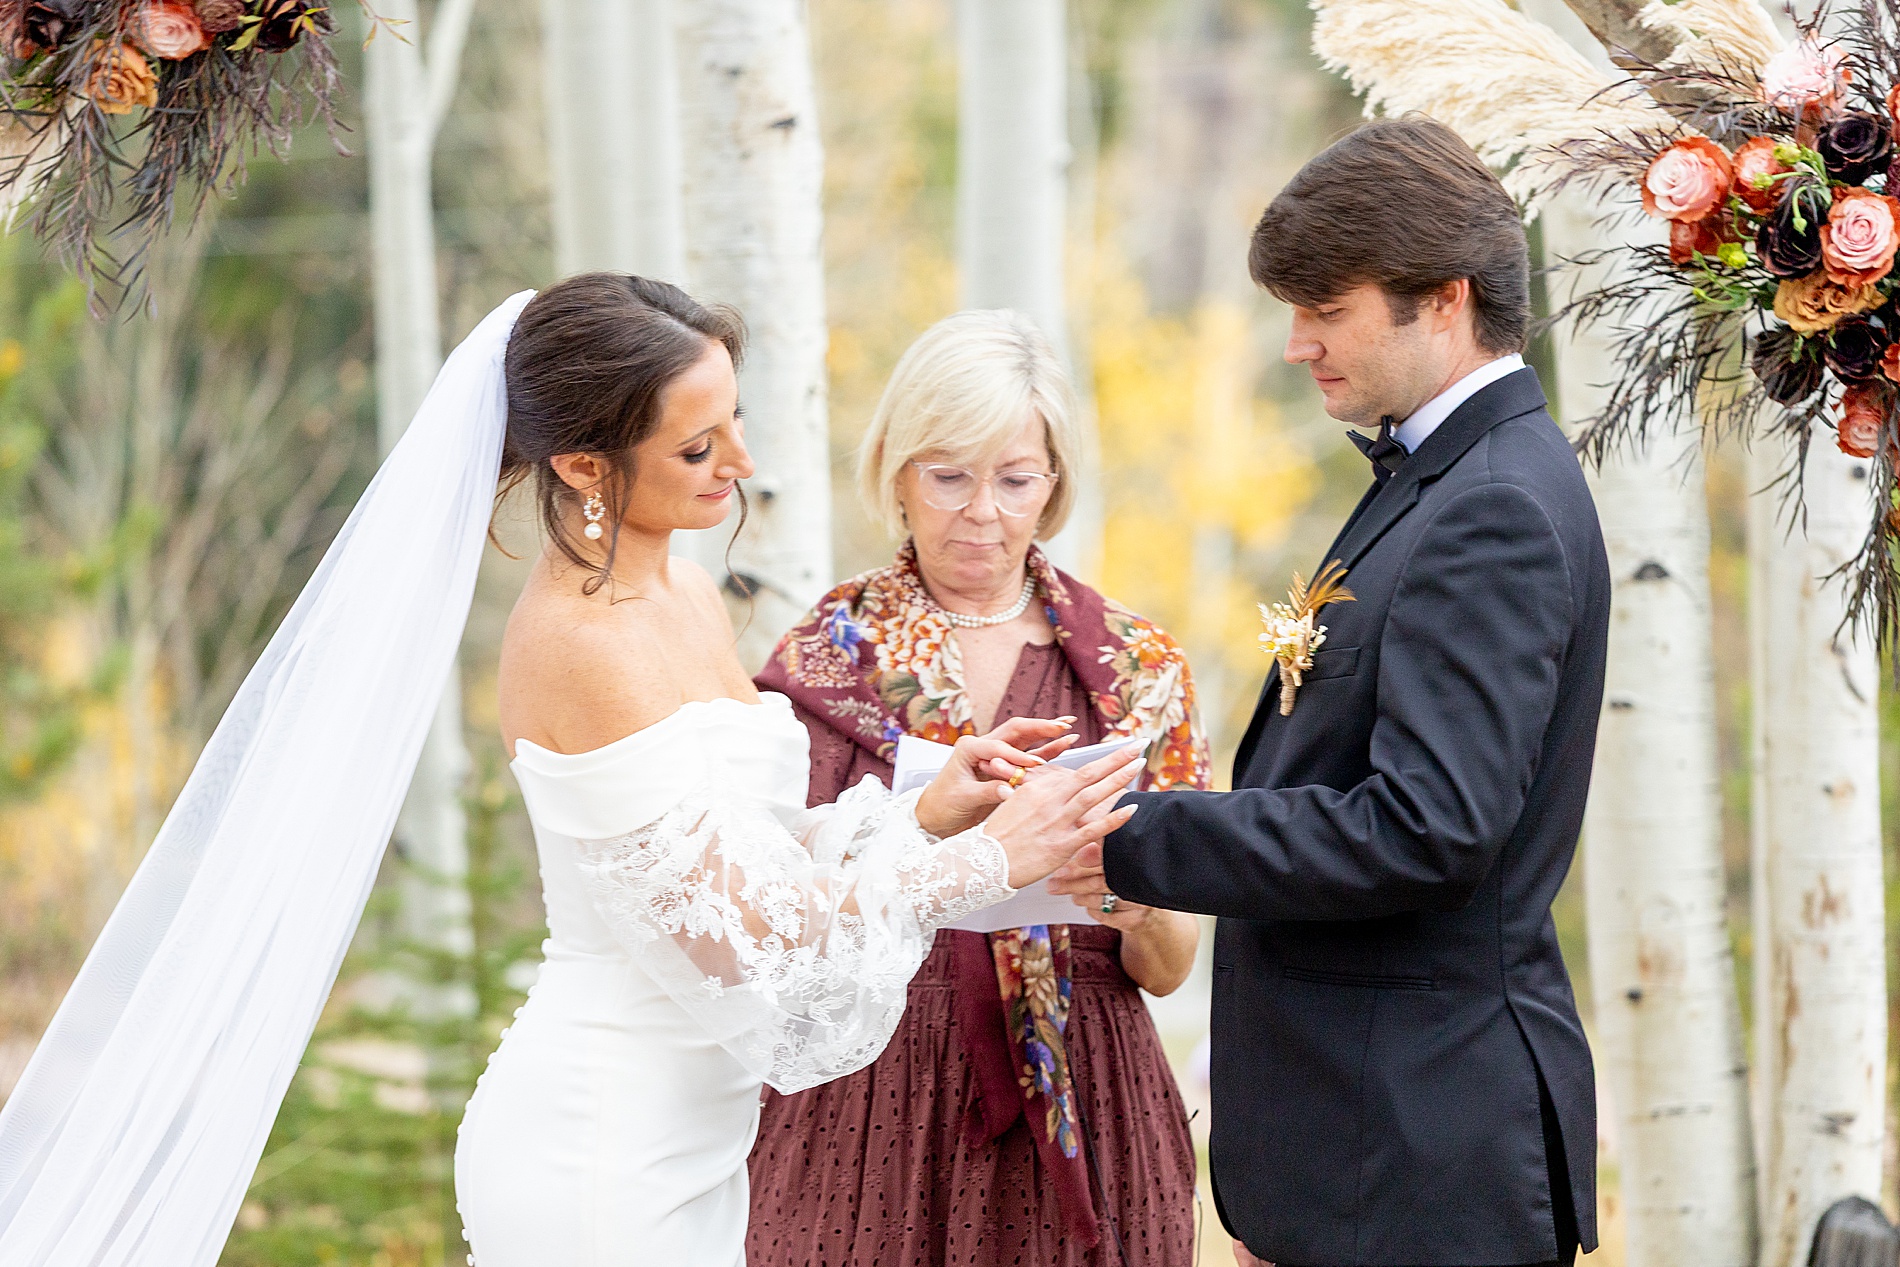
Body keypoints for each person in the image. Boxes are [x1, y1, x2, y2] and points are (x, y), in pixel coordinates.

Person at [0, 276, 1146, 1267]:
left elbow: (737, 850)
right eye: (697, 450)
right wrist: (989, 861)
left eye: (734, 424)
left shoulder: (683, 588)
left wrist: (927, 812)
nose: (741, 464)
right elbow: (743, 943)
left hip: (695, 1141)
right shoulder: (579, 646)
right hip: (602, 1147)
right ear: (585, 466)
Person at [1079, 118, 1612, 1267]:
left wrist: (1129, 833)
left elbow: (1426, 830)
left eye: (1326, 309)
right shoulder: (1444, 476)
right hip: (1366, 1146)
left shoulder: (1492, 506)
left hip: (1413, 1159)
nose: (1296, 345)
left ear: (1445, 300)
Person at [747, 310, 1205, 1267]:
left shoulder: (1137, 668)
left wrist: (1122, 898)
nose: (982, 512)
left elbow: (1168, 967)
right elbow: (766, 909)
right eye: (949, 476)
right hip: (863, 1100)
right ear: (896, 473)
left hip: (1090, 1092)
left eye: (1015, 479)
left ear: (1055, 483)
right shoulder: (826, 655)